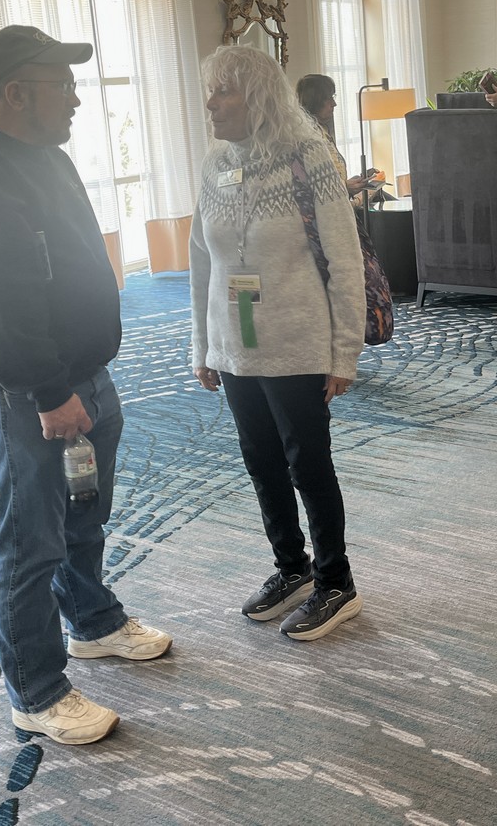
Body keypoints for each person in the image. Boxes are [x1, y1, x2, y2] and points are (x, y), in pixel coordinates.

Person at [0, 25, 172, 746]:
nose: (77, 99)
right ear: (17, 92)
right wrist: (50, 393)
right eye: (63, 85)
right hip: (25, 391)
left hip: (83, 373)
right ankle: (36, 689)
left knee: (84, 513)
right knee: (32, 539)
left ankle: (91, 621)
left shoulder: (47, 158)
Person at [191, 46, 366, 641]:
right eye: (211, 91)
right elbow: (202, 264)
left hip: (297, 342)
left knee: (307, 464)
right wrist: (203, 345)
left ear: (258, 97)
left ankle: (336, 581)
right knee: (260, 461)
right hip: (235, 344)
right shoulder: (215, 166)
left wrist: (344, 352)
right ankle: (292, 567)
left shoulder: (307, 158)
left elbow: (344, 262)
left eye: (224, 91)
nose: (211, 104)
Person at [294, 73, 385, 202]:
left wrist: (352, 183)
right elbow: (314, 189)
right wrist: (347, 188)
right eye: (329, 98)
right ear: (316, 101)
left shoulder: (323, 130)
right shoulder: (307, 137)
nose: (334, 104)